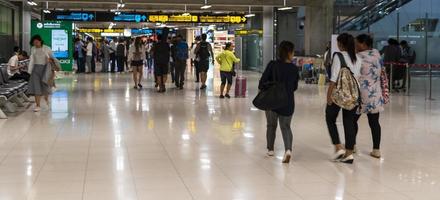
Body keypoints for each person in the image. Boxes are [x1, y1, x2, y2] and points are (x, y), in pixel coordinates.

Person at [258, 41, 299, 164]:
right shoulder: (293, 68)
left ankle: (270, 149)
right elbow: (294, 87)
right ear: (289, 53)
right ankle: (288, 150)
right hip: (287, 101)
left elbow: (262, 82)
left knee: (271, 125)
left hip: (272, 100)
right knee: (286, 127)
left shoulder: (272, 65)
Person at [325, 33, 362, 164]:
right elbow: (356, 78)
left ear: (341, 44)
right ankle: (349, 154)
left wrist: (328, 96)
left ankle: (338, 146)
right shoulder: (357, 58)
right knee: (349, 122)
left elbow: (333, 79)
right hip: (353, 95)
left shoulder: (338, 56)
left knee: (330, 118)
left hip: (338, 95)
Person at [355, 34, 385, 159]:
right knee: (374, 122)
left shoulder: (357, 57)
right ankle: (376, 149)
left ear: (363, 44)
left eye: (357, 43)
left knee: (352, 120)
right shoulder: (377, 54)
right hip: (375, 94)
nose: (355, 46)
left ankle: (352, 146)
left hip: (360, 94)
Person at [28, 35, 55, 112]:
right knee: (36, 87)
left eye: (37, 42)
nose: (36, 44)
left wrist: (51, 61)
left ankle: (46, 100)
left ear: (40, 41)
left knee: (45, 86)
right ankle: (37, 105)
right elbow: (32, 60)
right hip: (35, 69)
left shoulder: (47, 48)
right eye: (34, 43)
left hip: (45, 69)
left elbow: (53, 58)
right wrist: (29, 71)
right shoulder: (33, 49)